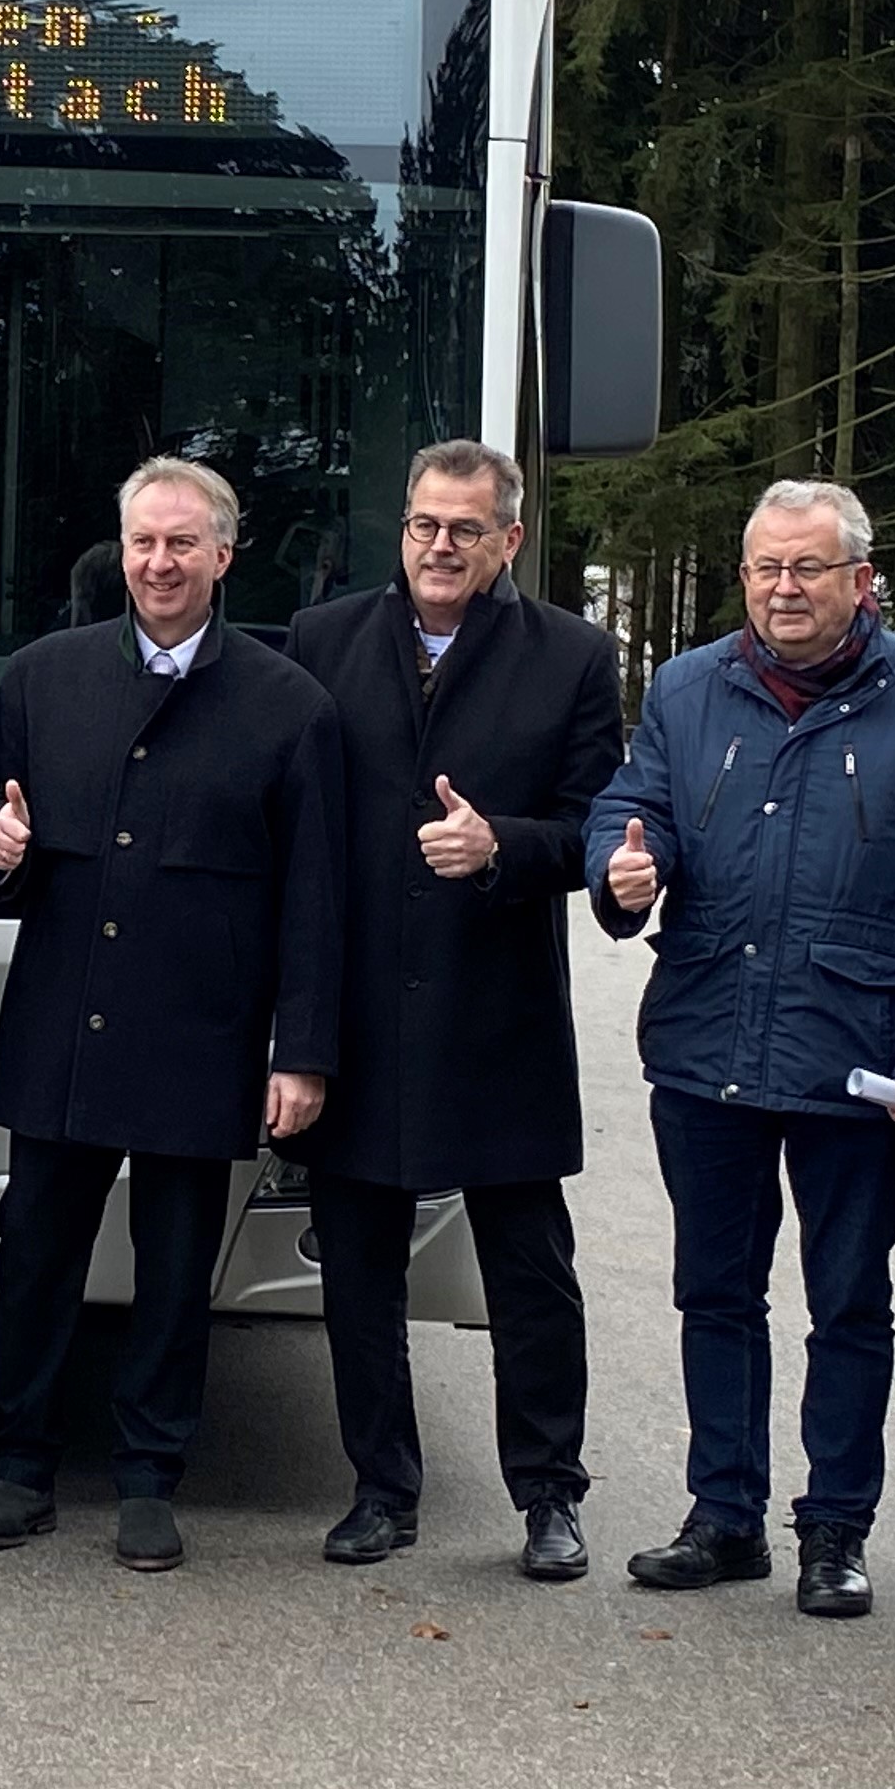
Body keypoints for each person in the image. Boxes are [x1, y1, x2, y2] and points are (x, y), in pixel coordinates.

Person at [586, 476, 895, 1620]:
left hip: (858, 1056)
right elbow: (633, 808)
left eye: (807, 568)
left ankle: (835, 1530)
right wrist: (622, 872)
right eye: (765, 568)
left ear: (862, 582)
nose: (783, 589)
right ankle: (724, 1515)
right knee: (714, 1292)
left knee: (848, 1300)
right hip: (706, 1033)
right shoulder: (687, 686)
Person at [0, 458, 343, 1575]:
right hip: (61, 1021)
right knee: (36, 1253)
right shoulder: (43, 678)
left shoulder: (289, 705)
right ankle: (21, 1467)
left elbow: (313, 898)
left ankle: (148, 1477)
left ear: (225, 556)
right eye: (142, 544)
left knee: (175, 1273)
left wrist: (302, 1050)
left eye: (182, 545)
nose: (160, 564)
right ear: (118, 551)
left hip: (201, 1029)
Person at [282, 442, 624, 1582]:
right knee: (359, 1273)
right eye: (425, 525)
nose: (440, 547)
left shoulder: (572, 656)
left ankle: (550, 1495)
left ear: (508, 542)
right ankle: (382, 1489)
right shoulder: (323, 640)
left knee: (529, 1274)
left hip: (499, 1014)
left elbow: (597, 827)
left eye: (465, 531)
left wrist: (502, 849)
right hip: (360, 1010)